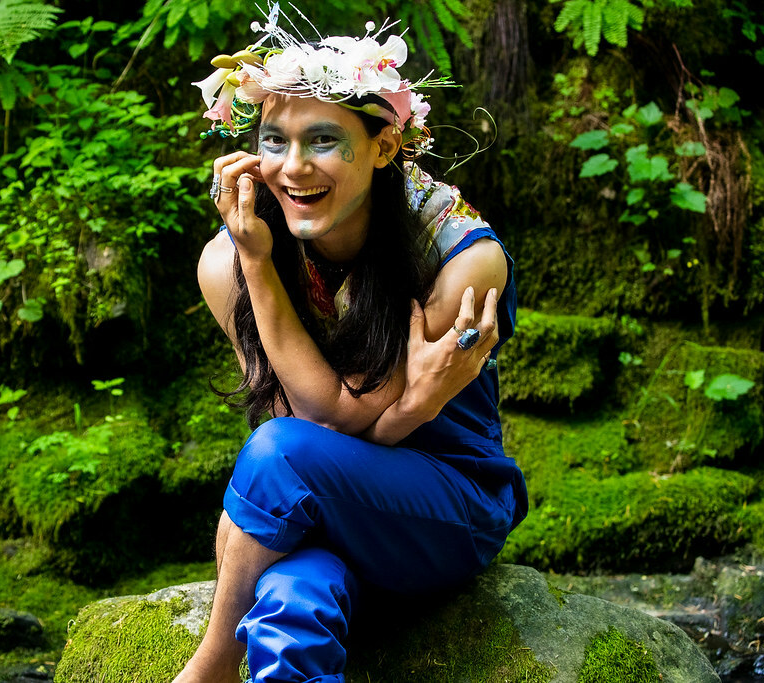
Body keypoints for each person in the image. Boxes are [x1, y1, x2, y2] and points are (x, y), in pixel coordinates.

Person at [175, 6, 528, 682]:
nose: (293, 168)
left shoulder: (457, 257)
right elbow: (298, 422)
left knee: (277, 461)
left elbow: (312, 437)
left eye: (324, 141)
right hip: (322, 499)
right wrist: (411, 403)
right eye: (274, 141)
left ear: (385, 147)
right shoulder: (231, 259)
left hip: (445, 509)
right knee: (290, 603)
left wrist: (410, 415)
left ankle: (212, 666)